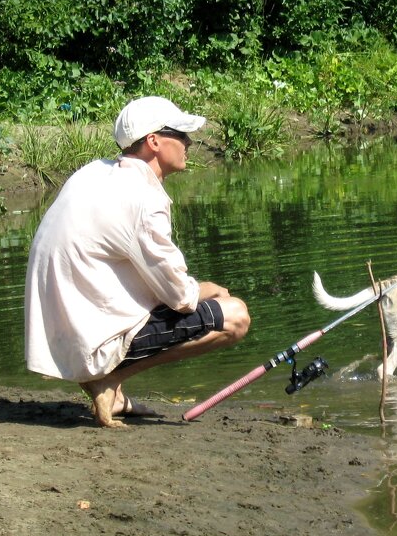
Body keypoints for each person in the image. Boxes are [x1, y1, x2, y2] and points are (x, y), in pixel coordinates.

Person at [24, 96, 250, 427]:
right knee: (234, 315)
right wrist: (212, 289)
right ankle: (107, 381)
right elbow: (181, 298)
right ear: (153, 141)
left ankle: (111, 388)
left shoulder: (94, 172)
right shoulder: (143, 198)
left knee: (154, 288)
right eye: (181, 134)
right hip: (89, 342)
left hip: (62, 337)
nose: (189, 143)